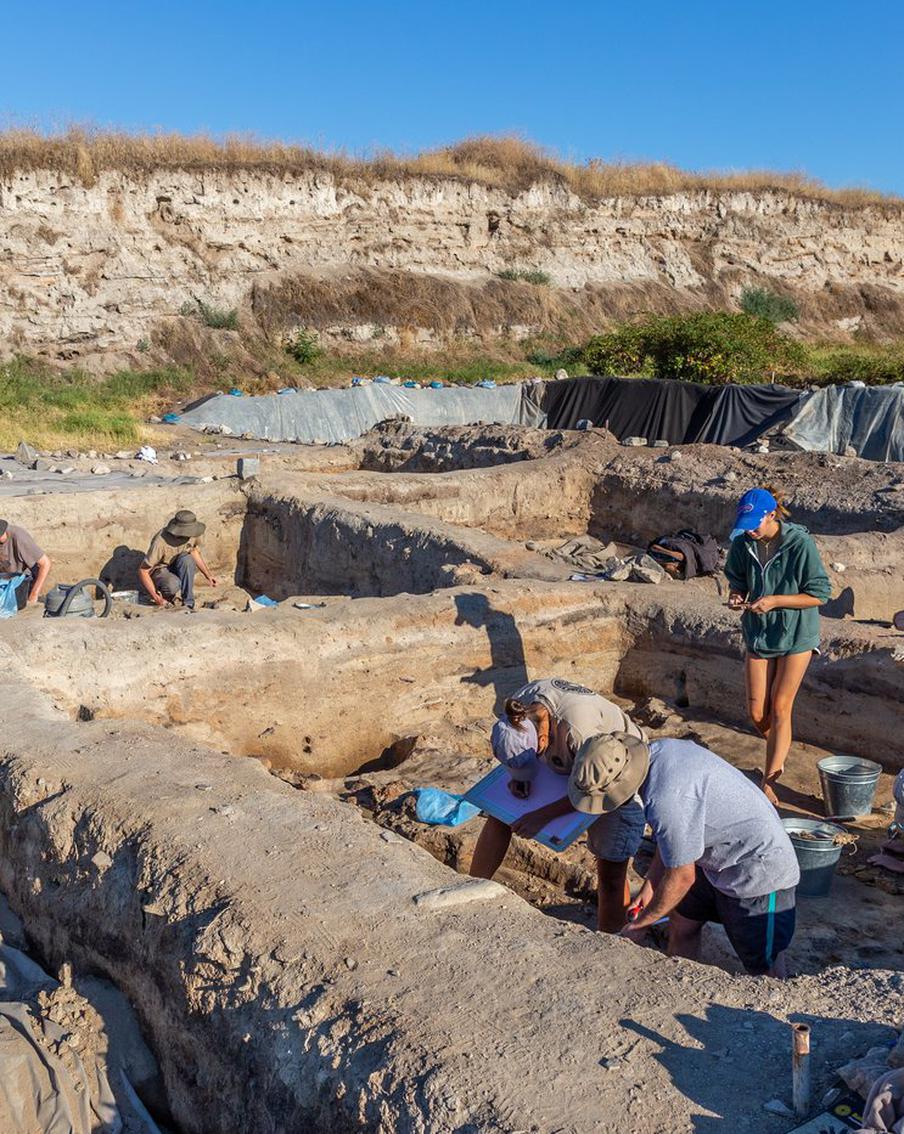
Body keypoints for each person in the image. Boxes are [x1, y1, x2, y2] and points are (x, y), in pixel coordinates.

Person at [568, 733, 800, 976]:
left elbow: (681, 877)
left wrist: (640, 924)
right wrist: (650, 887)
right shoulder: (658, 754)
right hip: (713, 860)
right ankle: (678, 984)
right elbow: (674, 842)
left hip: (758, 872)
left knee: (764, 965)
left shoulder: (666, 799)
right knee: (683, 923)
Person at [469, 677, 648, 932]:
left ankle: (614, 941)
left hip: (617, 769)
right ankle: (470, 887)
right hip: (574, 760)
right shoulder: (519, 712)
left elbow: (593, 789)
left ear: (542, 742)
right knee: (501, 813)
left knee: (610, 867)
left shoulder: (579, 732)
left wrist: (541, 816)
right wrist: (517, 778)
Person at [724, 486, 831, 805]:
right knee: (758, 712)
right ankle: (780, 747)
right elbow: (737, 580)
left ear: (772, 515)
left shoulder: (799, 543)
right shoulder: (743, 543)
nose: (751, 530)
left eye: (756, 523)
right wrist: (736, 596)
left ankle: (768, 783)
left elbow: (820, 594)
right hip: (759, 632)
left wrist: (776, 601)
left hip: (797, 632)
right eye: (747, 525)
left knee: (781, 705)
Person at [138, 510, 217, 610]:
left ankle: (188, 603)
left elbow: (193, 552)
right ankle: (167, 596)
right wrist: (156, 597)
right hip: (161, 569)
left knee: (188, 559)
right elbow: (143, 571)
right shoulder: (160, 542)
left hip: (178, 565)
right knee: (173, 585)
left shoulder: (193, 535)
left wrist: (208, 575)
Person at [0, 519, 52, 608]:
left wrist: (34, 594)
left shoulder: (19, 538)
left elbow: (46, 563)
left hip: (23, 585)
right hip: (5, 584)